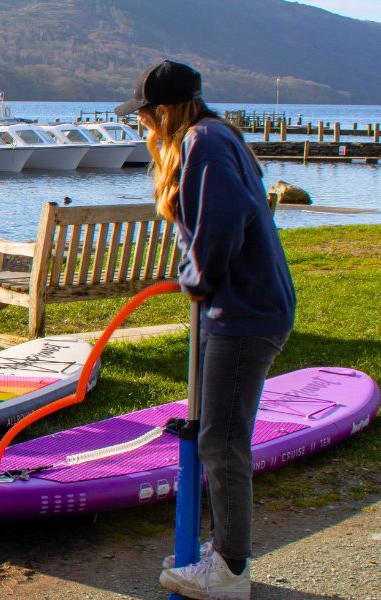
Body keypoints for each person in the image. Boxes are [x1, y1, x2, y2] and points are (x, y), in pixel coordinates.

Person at [115, 61, 296, 600]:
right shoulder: (217, 135)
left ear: (164, 110)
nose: (143, 127)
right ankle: (221, 556)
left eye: (144, 116)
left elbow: (225, 220)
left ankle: (231, 571)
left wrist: (196, 278)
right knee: (217, 433)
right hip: (240, 306)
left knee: (221, 439)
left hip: (244, 311)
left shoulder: (203, 141)